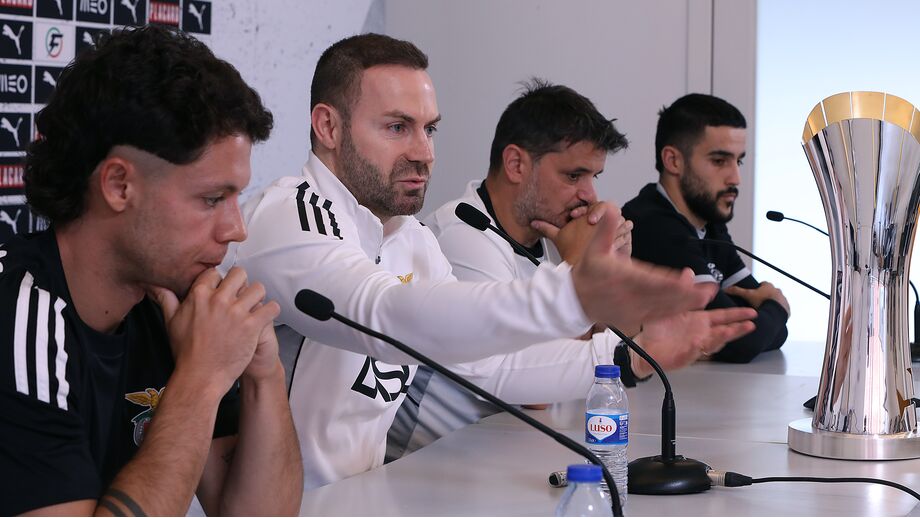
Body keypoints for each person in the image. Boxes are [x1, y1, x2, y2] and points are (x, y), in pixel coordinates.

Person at [225, 33, 719, 490]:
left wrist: (631, 358)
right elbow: (380, 313)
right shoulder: (289, 216)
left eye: (429, 129)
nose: (424, 153)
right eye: (397, 127)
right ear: (328, 126)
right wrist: (571, 295)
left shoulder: (410, 239)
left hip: (363, 497)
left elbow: (491, 367)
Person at [0, 26, 302, 516]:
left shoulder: (168, 301)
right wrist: (201, 378)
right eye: (212, 199)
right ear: (119, 185)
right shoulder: (17, 315)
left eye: (237, 198)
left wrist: (262, 373)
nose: (237, 229)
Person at [386, 80, 757, 458]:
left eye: (594, 177)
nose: (589, 195)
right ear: (516, 164)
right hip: (430, 461)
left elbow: (610, 344)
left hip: (504, 445)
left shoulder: (551, 229)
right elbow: (534, 395)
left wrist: (613, 269)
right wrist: (581, 271)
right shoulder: (462, 235)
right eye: (573, 176)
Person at [622, 93, 790, 363]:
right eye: (719, 161)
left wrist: (765, 316)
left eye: (739, 161)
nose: (735, 178)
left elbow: (768, 331)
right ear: (673, 161)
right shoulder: (652, 225)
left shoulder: (709, 224)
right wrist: (777, 306)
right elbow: (740, 341)